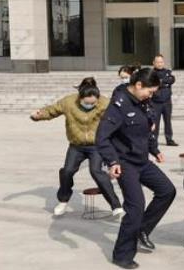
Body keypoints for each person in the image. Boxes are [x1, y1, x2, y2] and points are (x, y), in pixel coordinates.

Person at [96, 68, 176, 270]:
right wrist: (112, 162)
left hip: (142, 160)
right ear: (138, 85)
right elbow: (102, 138)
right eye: (150, 92)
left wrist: (154, 149)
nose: (151, 96)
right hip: (125, 163)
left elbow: (147, 127)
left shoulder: (143, 102)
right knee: (135, 207)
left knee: (167, 190)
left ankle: (142, 230)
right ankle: (122, 255)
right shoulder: (119, 105)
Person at [31, 77, 124, 218]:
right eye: (87, 103)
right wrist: (38, 115)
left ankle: (116, 206)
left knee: (96, 171)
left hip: (97, 145)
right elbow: (52, 110)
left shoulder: (104, 103)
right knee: (67, 171)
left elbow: (119, 116)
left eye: (94, 103)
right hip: (76, 145)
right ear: (80, 98)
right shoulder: (69, 102)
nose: (91, 105)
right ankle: (63, 200)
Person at [151, 54, 178, 146]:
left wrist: (161, 82)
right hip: (155, 101)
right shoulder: (151, 73)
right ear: (154, 63)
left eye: (161, 62)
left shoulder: (168, 72)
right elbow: (153, 83)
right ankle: (154, 140)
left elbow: (172, 80)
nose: (159, 64)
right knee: (155, 122)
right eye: (157, 62)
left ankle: (169, 139)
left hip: (167, 101)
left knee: (168, 121)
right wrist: (164, 83)